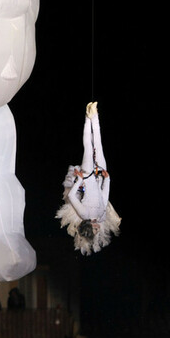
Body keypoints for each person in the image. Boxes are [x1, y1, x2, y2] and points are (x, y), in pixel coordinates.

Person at [56, 102, 121, 255]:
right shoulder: (101, 216)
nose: (97, 229)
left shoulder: (84, 214)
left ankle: (87, 117)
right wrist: (107, 179)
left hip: (88, 175)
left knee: (88, 145)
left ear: (89, 227)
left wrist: (79, 179)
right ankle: (95, 114)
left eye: (94, 230)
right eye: (97, 231)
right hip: (99, 175)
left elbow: (72, 195)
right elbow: (104, 197)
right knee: (98, 145)